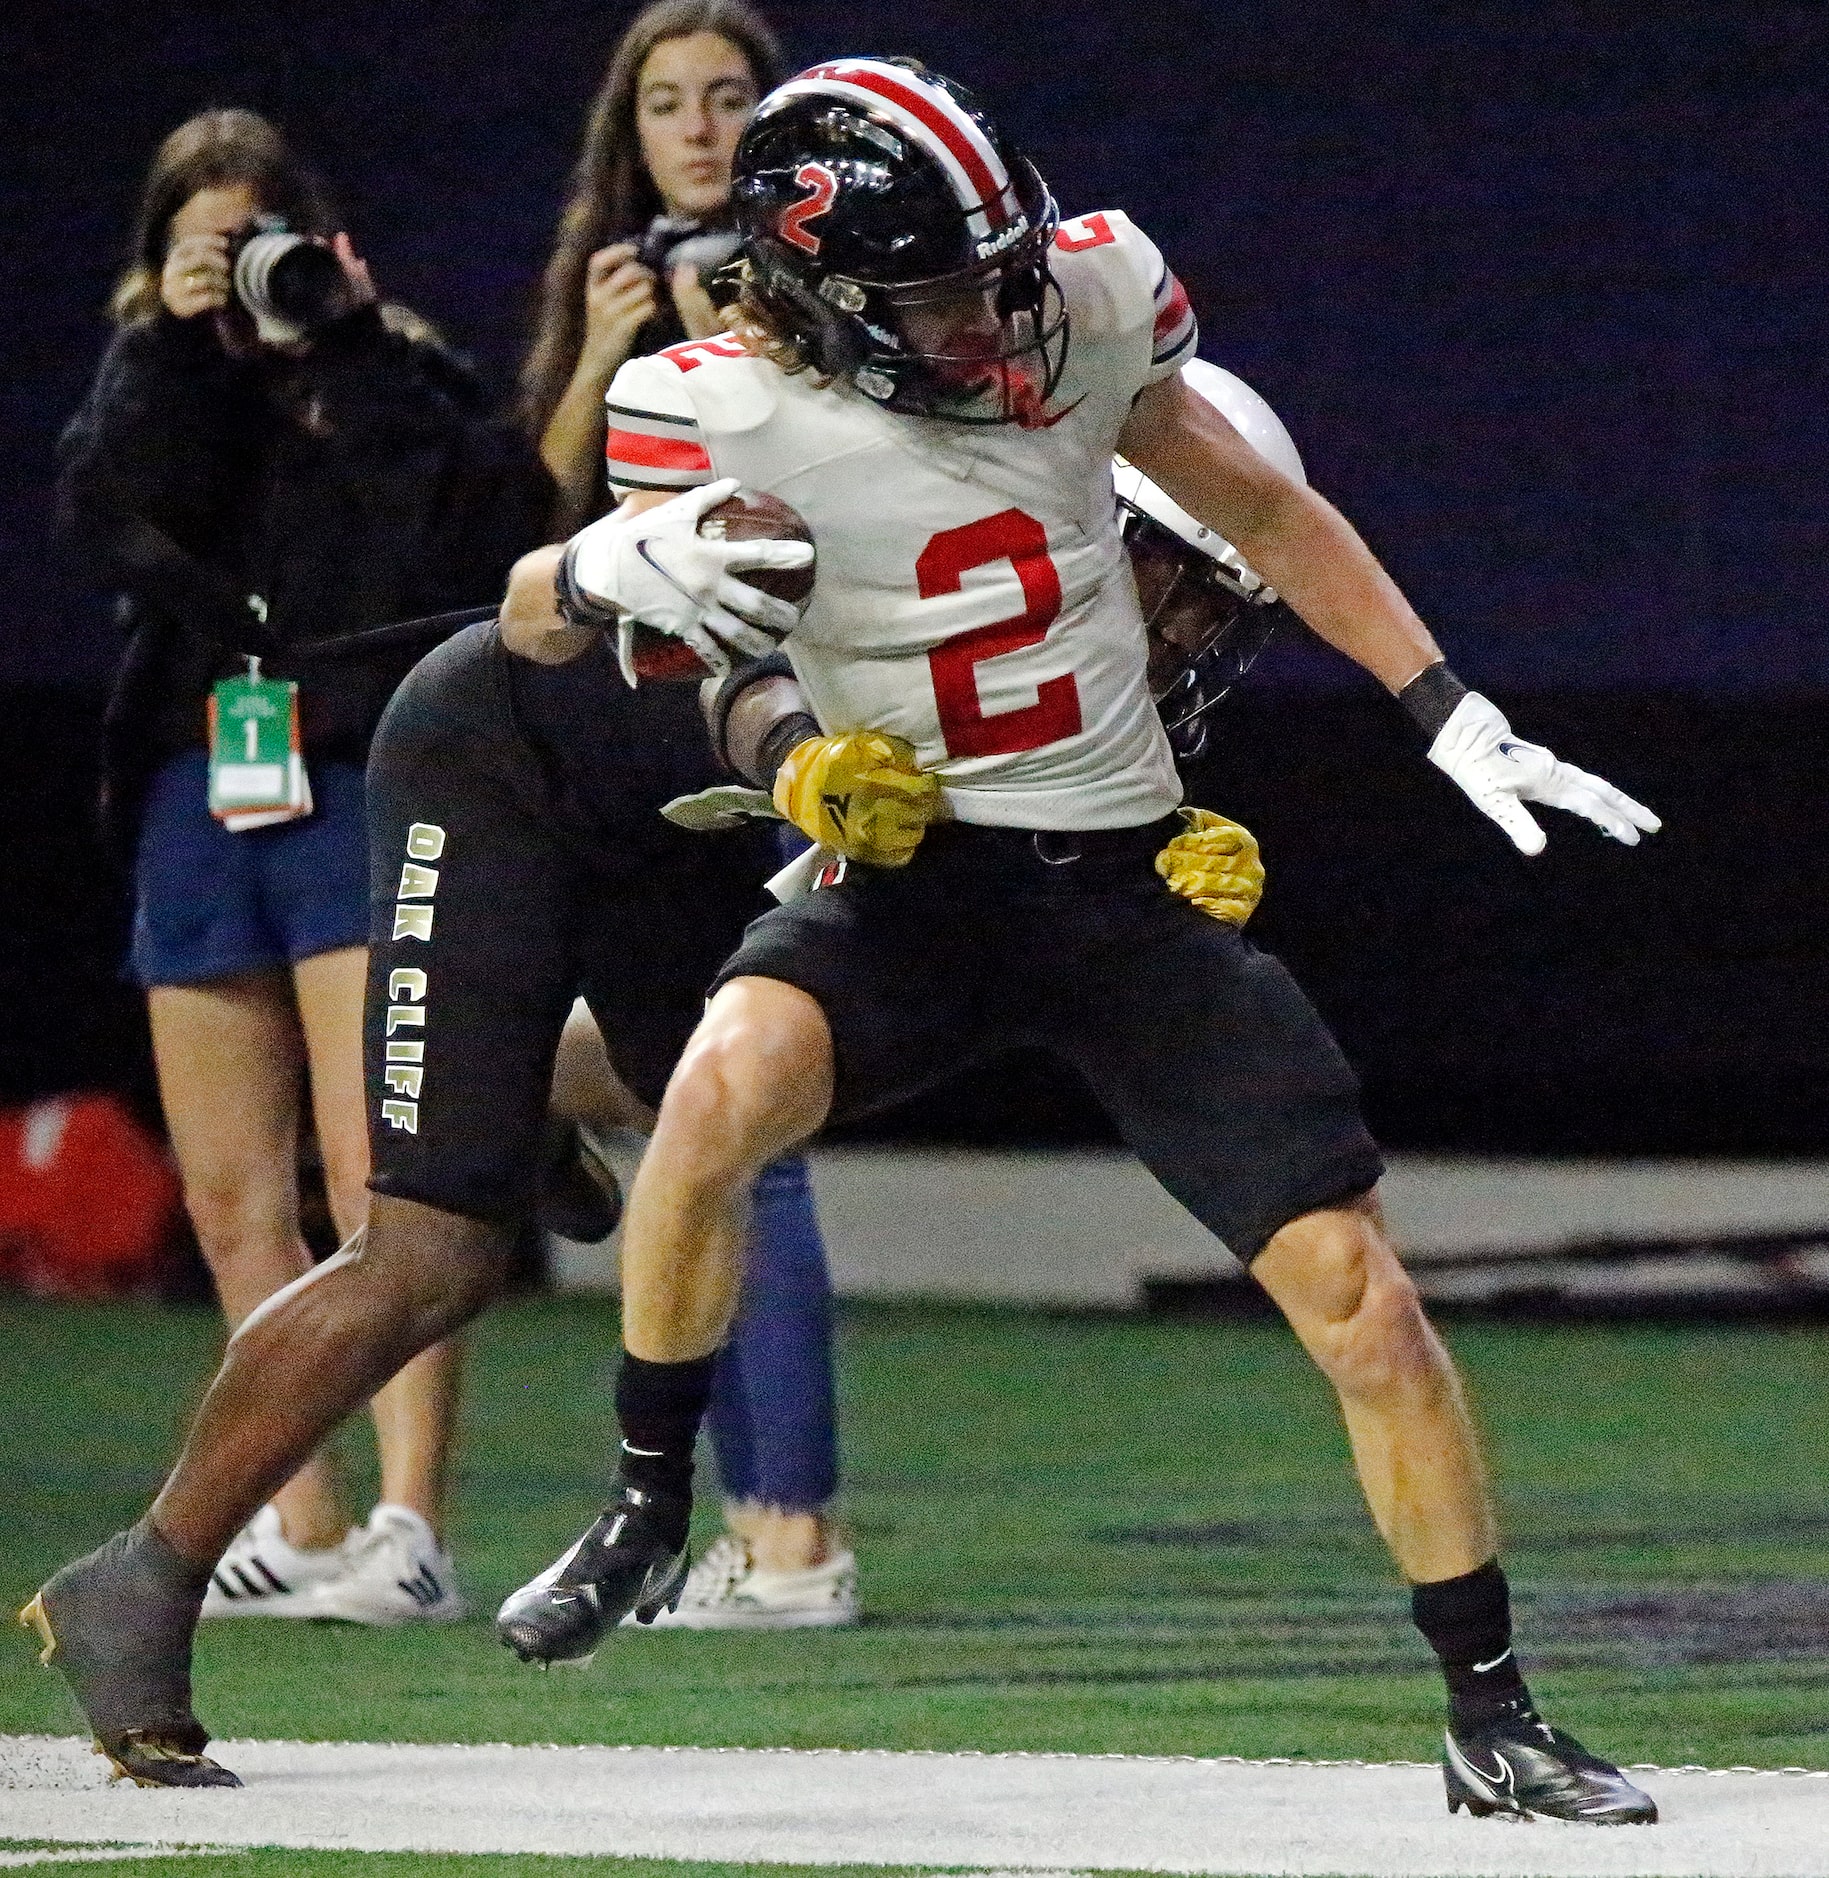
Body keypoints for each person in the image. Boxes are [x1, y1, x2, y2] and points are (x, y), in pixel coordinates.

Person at [484, 60, 1664, 1828]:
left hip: (1114, 888)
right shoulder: (701, 408)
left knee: (1365, 1295)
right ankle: (652, 1499)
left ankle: (1488, 1708)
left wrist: (1441, 705)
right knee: (717, 1088)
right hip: (904, 889)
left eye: (1003, 268)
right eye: (945, 293)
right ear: (819, 296)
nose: (999, 317)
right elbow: (559, 625)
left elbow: (1261, 512)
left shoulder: (1091, 300)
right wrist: (612, 588)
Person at [53, 109, 547, 1628]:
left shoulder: (378, 361)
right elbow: (107, 524)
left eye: (259, 234)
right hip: (201, 783)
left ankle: (409, 1519)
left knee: (380, 1173)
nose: (241, 267)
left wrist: (337, 341)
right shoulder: (157, 378)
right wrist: (172, 343)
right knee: (227, 1191)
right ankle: (295, 1513)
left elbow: (481, 515)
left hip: (355, 777)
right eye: (207, 238)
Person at [524, 0, 858, 1626]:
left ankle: (788, 1534)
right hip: (637, 731)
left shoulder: (823, 270)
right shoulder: (609, 282)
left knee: (746, 1124)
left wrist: (731, 321)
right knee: (659, 1092)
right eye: (668, 102)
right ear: (630, 132)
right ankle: (750, 1524)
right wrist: (611, 350)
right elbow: (541, 517)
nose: (701, 126)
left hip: (786, 716)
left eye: (730, 96)